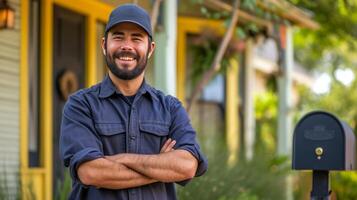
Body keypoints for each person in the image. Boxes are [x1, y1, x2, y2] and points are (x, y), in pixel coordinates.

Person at [60, 3, 208, 200]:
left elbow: (188, 166)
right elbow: (91, 172)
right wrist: (161, 165)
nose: (126, 46)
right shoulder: (81, 105)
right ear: (104, 45)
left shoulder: (170, 108)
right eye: (118, 37)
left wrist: (121, 160)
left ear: (150, 48)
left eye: (136, 38)